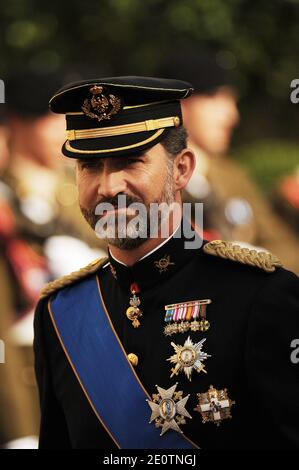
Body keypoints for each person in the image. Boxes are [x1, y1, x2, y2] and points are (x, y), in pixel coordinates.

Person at [34, 76, 299, 449]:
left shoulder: (258, 296)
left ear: (182, 169)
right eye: (90, 166)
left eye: (131, 161)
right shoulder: (59, 312)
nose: (108, 187)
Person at [159, 49, 299, 273]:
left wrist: (247, 260)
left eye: (232, 100)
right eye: (215, 97)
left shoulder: (232, 175)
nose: (232, 115)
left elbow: (287, 249)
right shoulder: (145, 175)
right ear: (179, 105)